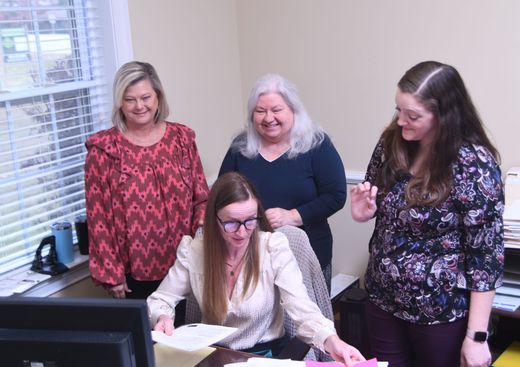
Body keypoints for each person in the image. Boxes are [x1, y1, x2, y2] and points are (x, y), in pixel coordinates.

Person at [350, 61, 504, 367]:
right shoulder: (391, 143)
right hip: (383, 300)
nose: (401, 121)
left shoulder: (474, 165)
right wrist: (362, 211)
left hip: (440, 314)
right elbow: (375, 200)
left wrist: (477, 337)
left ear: (444, 115)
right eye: (398, 110)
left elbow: (485, 258)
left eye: (413, 116)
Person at [148, 172, 364, 366]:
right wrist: (163, 317)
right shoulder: (194, 251)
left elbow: (303, 308)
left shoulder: (273, 248)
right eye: (231, 223)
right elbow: (159, 300)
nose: (242, 232)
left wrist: (333, 342)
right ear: (213, 220)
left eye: (250, 221)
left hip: (262, 358)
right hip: (213, 356)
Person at [85, 61, 209, 300]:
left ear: (158, 98)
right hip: (132, 276)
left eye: (145, 97)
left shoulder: (181, 139)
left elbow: (201, 197)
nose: (139, 106)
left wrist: (199, 247)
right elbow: (97, 218)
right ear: (120, 102)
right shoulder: (104, 150)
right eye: (130, 99)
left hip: (184, 266)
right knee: (146, 337)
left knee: (186, 334)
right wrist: (111, 274)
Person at [218, 74, 346, 290]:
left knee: (306, 319)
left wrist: (292, 216)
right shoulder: (240, 147)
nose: (269, 118)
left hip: (307, 253)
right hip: (250, 256)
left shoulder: (316, 144)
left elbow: (336, 196)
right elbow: (222, 194)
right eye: (260, 111)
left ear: (293, 110)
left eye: (276, 110)